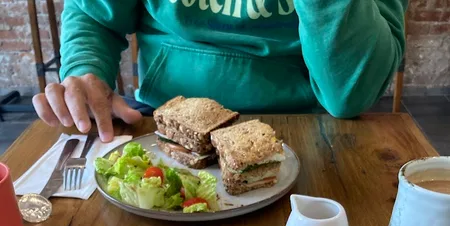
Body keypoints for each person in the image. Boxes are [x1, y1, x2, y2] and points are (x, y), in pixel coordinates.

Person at [33, 0, 407, 143]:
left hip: (310, 130)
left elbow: (351, 94)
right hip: (165, 128)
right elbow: (94, 14)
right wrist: (86, 68)